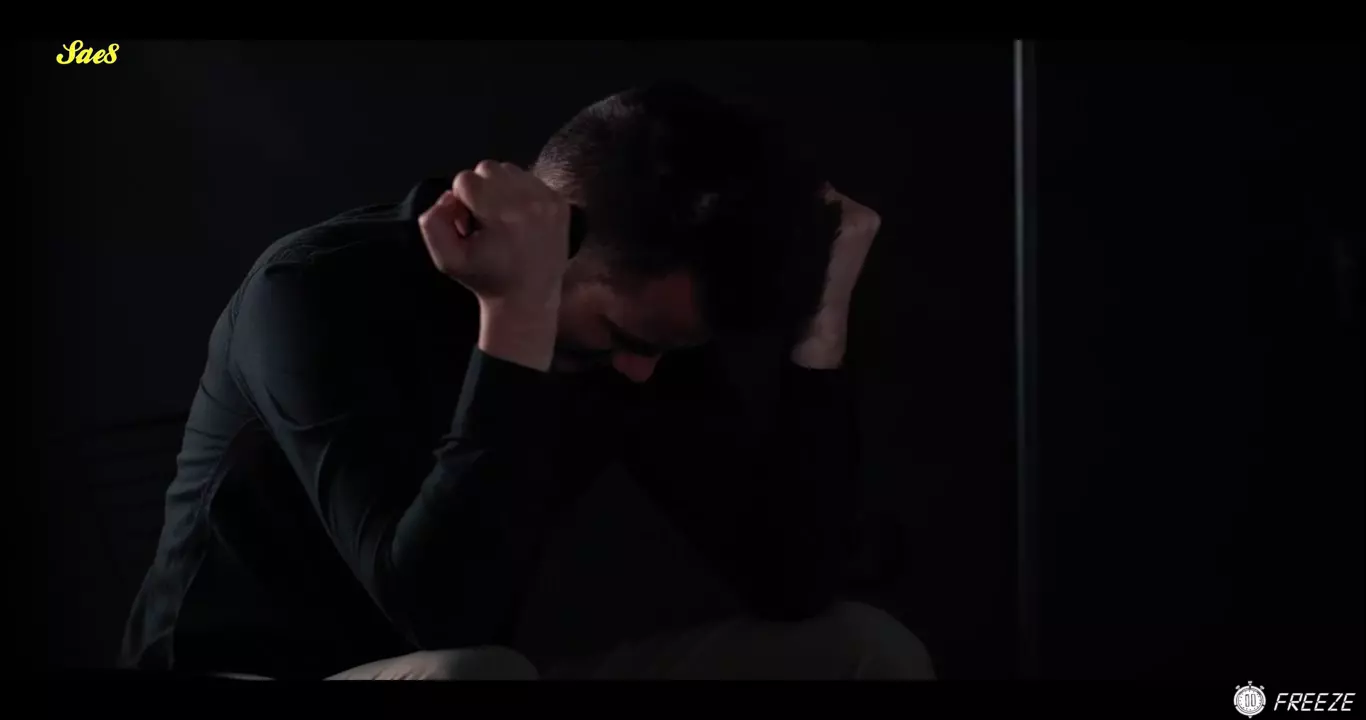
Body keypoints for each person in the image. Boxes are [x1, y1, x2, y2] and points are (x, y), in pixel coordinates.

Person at [120, 81, 935, 680]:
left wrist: (822, 321)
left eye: (662, 350)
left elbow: (789, 581)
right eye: (623, 338)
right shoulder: (314, 292)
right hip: (248, 675)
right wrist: (515, 313)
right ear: (558, 243)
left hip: (474, 671)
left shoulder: (647, 335)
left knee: (863, 650)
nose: (640, 372)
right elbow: (443, 612)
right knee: (476, 672)